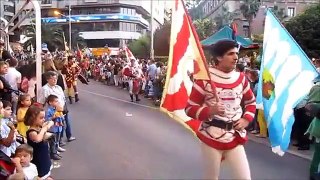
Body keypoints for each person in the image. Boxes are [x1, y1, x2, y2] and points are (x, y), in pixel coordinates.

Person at [185, 40, 256, 180]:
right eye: (230, 54)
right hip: (211, 136)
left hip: (235, 136)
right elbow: (189, 109)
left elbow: (251, 102)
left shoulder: (241, 78)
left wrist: (246, 119)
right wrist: (210, 111)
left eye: (236, 53)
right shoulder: (204, 79)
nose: (236, 57)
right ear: (218, 57)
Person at [38, 71, 76, 143]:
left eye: (56, 79)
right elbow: (41, 102)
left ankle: (62, 139)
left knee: (63, 125)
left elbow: (62, 98)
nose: (54, 80)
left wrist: (63, 106)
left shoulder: (58, 87)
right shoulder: (44, 89)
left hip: (62, 109)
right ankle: (55, 144)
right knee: (54, 128)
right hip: (52, 112)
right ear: (48, 79)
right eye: (52, 79)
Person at [25, 105, 54, 179]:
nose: (43, 119)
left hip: (45, 159)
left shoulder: (39, 128)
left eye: (44, 117)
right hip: (39, 162)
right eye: (41, 118)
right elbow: (38, 139)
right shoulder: (31, 132)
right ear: (32, 119)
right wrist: (44, 128)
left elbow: (46, 136)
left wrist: (47, 126)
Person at [305, 75, 320, 180]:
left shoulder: (315, 87)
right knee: (317, 154)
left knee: (317, 154)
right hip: (318, 126)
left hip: (317, 127)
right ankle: (314, 175)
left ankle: (313, 174)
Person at [45, 94, 65, 161]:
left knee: (57, 141)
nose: (57, 103)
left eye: (57, 101)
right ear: (50, 102)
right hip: (53, 129)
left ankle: (56, 151)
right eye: (56, 101)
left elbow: (61, 116)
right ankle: (53, 153)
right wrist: (54, 116)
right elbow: (47, 119)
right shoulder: (49, 110)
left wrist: (62, 117)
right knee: (53, 142)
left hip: (58, 127)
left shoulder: (57, 109)